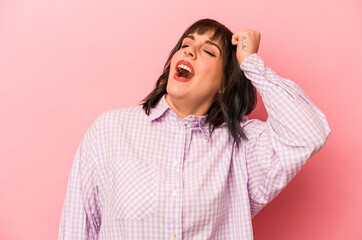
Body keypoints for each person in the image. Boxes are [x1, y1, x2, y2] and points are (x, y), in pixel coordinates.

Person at [58, 18, 330, 239]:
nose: (189, 50)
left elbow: (308, 133)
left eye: (209, 51)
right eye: (186, 44)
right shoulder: (111, 129)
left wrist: (250, 62)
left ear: (224, 83)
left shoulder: (242, 147)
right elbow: (78, 228)